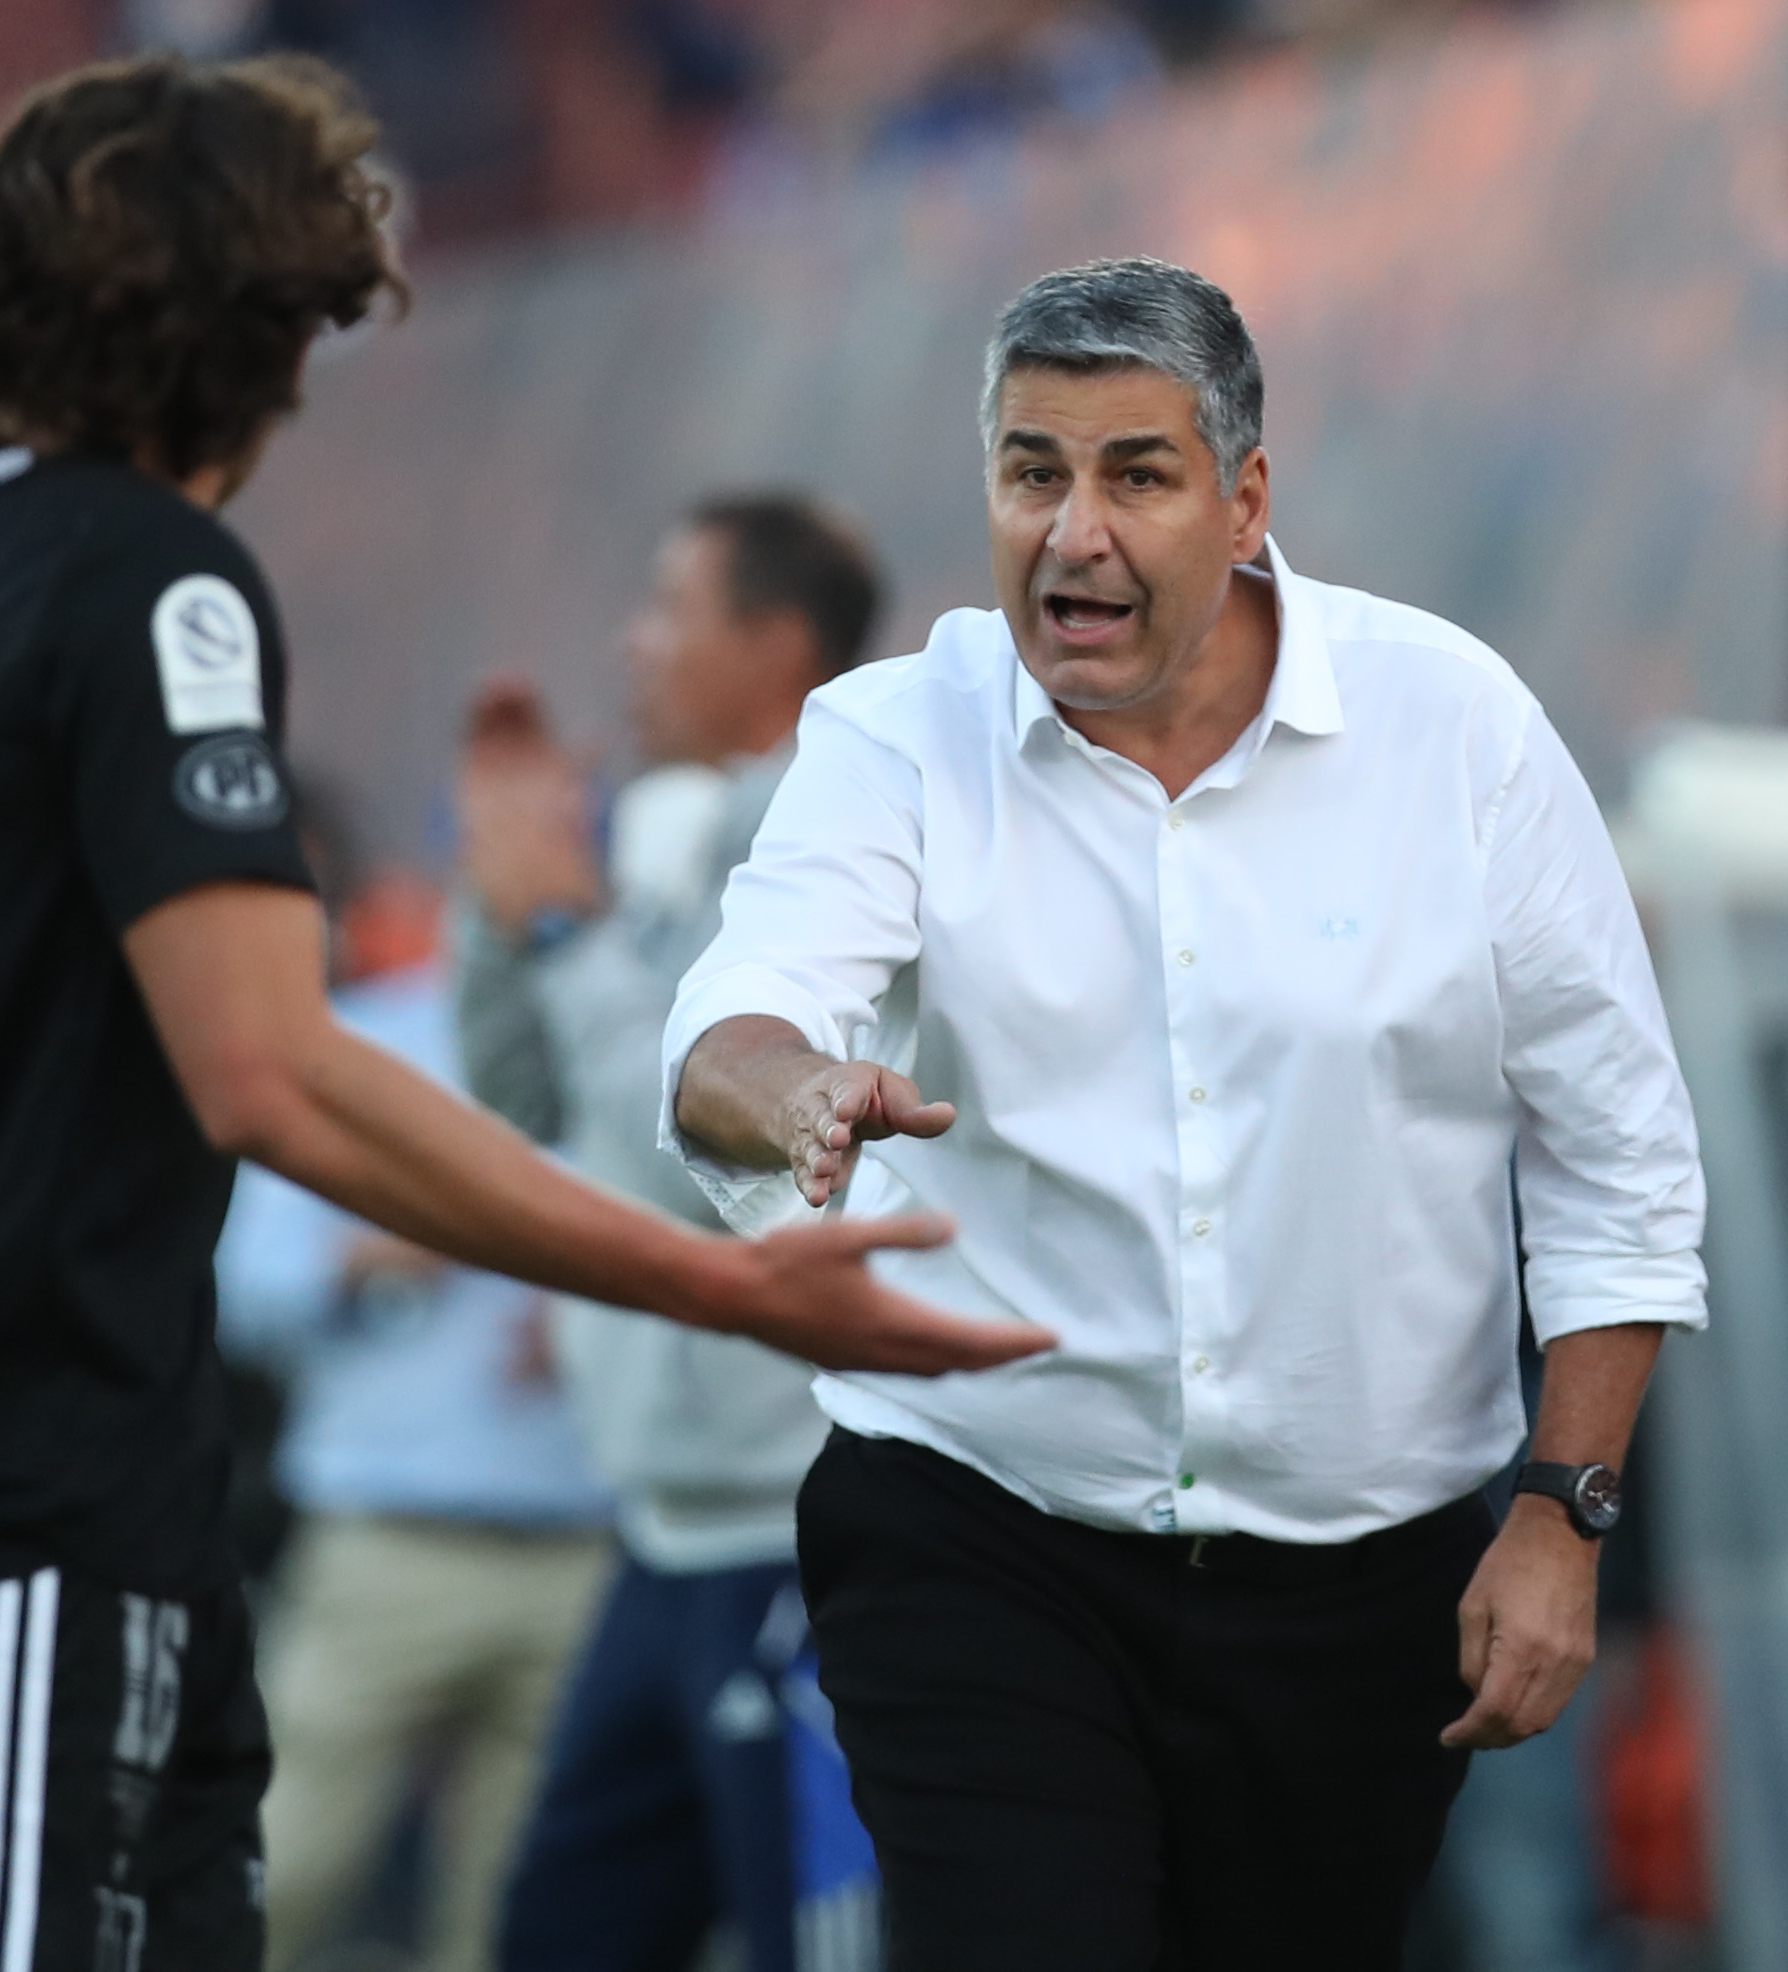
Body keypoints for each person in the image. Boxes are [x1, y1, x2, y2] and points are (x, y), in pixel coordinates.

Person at [0, 52, 1043, 1972]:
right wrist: (723, 1284)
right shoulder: (155, 584)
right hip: (16, 1522)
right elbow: (268, 1073)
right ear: (250, 328)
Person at [664, 257, 1704, 1967]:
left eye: (1132, 474)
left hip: (1362, 1586)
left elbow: (1615, 1157)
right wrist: (792, 1091)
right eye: (1027, 472)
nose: (1069, 531)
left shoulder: (1454, 730)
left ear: (1240, 502)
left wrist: (1557, 1512)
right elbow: (732, 1019)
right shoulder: (890, 736)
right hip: (973, 1532)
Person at [454, 494, 886, 1972]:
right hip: (656, 1539)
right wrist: (504, 894)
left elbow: (698, 1159)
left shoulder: (823, 850)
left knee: (813, 1952)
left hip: (792, 1547)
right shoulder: (668, 835)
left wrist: (569, 932)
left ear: (771, 646)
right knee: (554, 1939)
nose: (630, 647)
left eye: (665, 610)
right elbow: (522, 1095)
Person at [215, 805, 613, 1972]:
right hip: (385, 1534)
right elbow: (249, 1285)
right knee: (274, 1876)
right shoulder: (366, 1037)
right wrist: (394, 1248)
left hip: (576, 1543)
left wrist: (593, 1312)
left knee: (513, 1920)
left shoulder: (640, 1046)